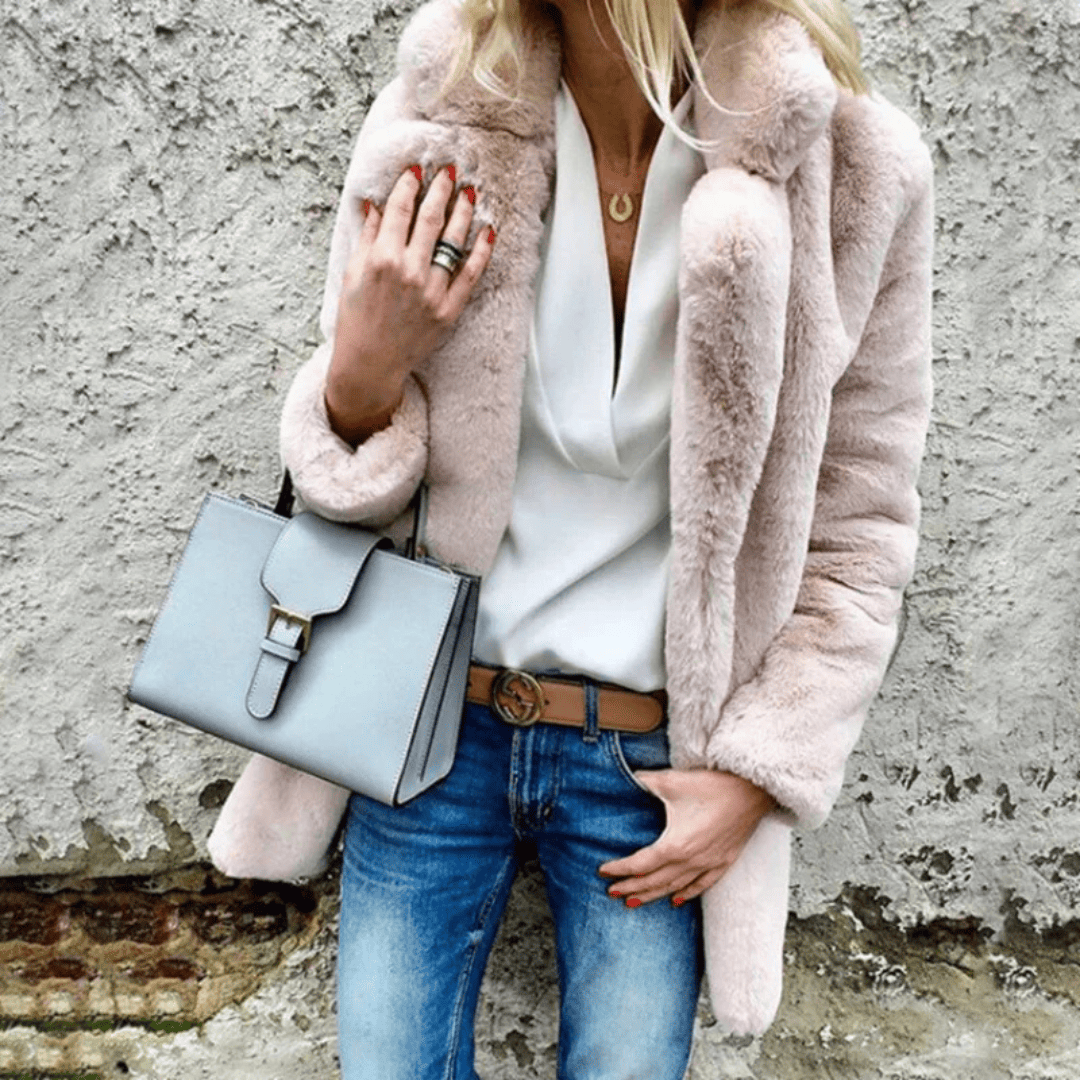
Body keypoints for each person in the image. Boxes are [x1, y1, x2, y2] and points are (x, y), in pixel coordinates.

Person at [208, 0, 933, 1075]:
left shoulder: (853, 166)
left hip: (651, 772)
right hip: (428, 736)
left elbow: (860, 530)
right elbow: (342, 482)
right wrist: (360, 371)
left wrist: (760, 773)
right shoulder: (441, 114)